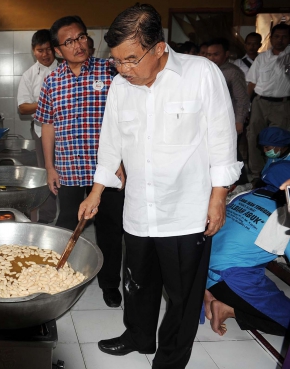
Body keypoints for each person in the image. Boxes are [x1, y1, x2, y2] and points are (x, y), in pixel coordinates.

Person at [79, 4, 242, 368]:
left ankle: (170, 357)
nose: (123, 70)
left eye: (131, 60)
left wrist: (219, 197)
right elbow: (111, 143)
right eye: (117, 62)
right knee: (136, 282)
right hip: (139, 207)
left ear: (160, 48)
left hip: (186, 210)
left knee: (182, 296)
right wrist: (96, 192)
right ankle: (138, 336)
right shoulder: (121, 86)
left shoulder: (201, 74)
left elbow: (222, 139)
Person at [34, 15, 125, 308]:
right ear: (58, 50)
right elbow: (47, 127)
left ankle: (110, 283)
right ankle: (64, 276)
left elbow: (127, 119)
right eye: (70, 41)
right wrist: (50, 167)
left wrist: (124, 161)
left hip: (108, 170)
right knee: (68, 223)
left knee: (110, 227)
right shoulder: (52, 82)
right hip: (70, 167)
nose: (79, 44)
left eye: (82, 37)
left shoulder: (110, 71)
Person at [204, 161, 290, 337]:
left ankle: (208, 295)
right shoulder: (284, 214)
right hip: (229, 280)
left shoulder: (246, 195)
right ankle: (229, 310)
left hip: (201, 271)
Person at [17, 29, 59, 224]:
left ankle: (69, 213)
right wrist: (46, 102)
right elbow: (22, 107)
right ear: (33, 51)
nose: (45, 54)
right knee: (45, 172)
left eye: (48, 49)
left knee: (68, 172)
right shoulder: (29, 75)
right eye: (40, 50)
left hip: (68, 131)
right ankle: (48, 217)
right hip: (42, 130)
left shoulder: (65, 68)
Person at [246, 23, 290, 182]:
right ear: (271, 38)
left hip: (282, 104)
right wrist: (246, 107)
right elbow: (251, 83)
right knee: (254, 138)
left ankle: (275, 175)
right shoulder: (262, 57)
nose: (280, 40)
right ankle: (257, 176)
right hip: (260, 103)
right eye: (277, 36)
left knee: (278, 141)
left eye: (284, 36)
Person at [207, 37, 250, 185]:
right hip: (210, 120)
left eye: (216, 54)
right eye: (209, 54)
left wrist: (239, 121)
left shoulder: (233, 72)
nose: (211, 57)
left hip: (228, 120)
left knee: (230, 152)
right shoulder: (205, 69)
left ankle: (240, 183)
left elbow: (242, 99)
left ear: (226, 54)